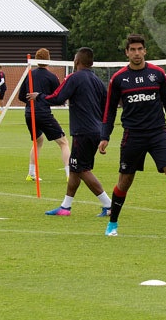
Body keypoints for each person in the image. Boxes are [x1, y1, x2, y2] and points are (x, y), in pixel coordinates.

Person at [100, 34, 166, 238]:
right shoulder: (118, 79)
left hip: (158, 133)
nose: (136, 53)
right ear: (127, 52)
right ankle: (112, 224)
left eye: (139, 49)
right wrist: (105, 136)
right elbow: (109, 110)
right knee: (125, 181)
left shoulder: (157, 74)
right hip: (132, 136)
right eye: (132, 49)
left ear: (145, 51)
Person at [32, 47, 113, 218]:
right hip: (96, 130)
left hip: (83, 131)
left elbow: (57, 98)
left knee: (83, 170)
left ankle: (109, 205)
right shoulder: (98, 81)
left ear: (76, 61)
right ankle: (65, 207)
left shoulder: (74, 78)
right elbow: (107, 106)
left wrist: (39, 96)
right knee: (75, 168)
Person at [18, 48, 71, 181]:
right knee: (63, 142)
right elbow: (57, 97)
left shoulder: (29, 74)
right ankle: (70, 174)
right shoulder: (52, 77)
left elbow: (21, 96)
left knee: (38, 141)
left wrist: (31, 103)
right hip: (42, 113)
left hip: (29, 113)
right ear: (48, 60)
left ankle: (31, 173)